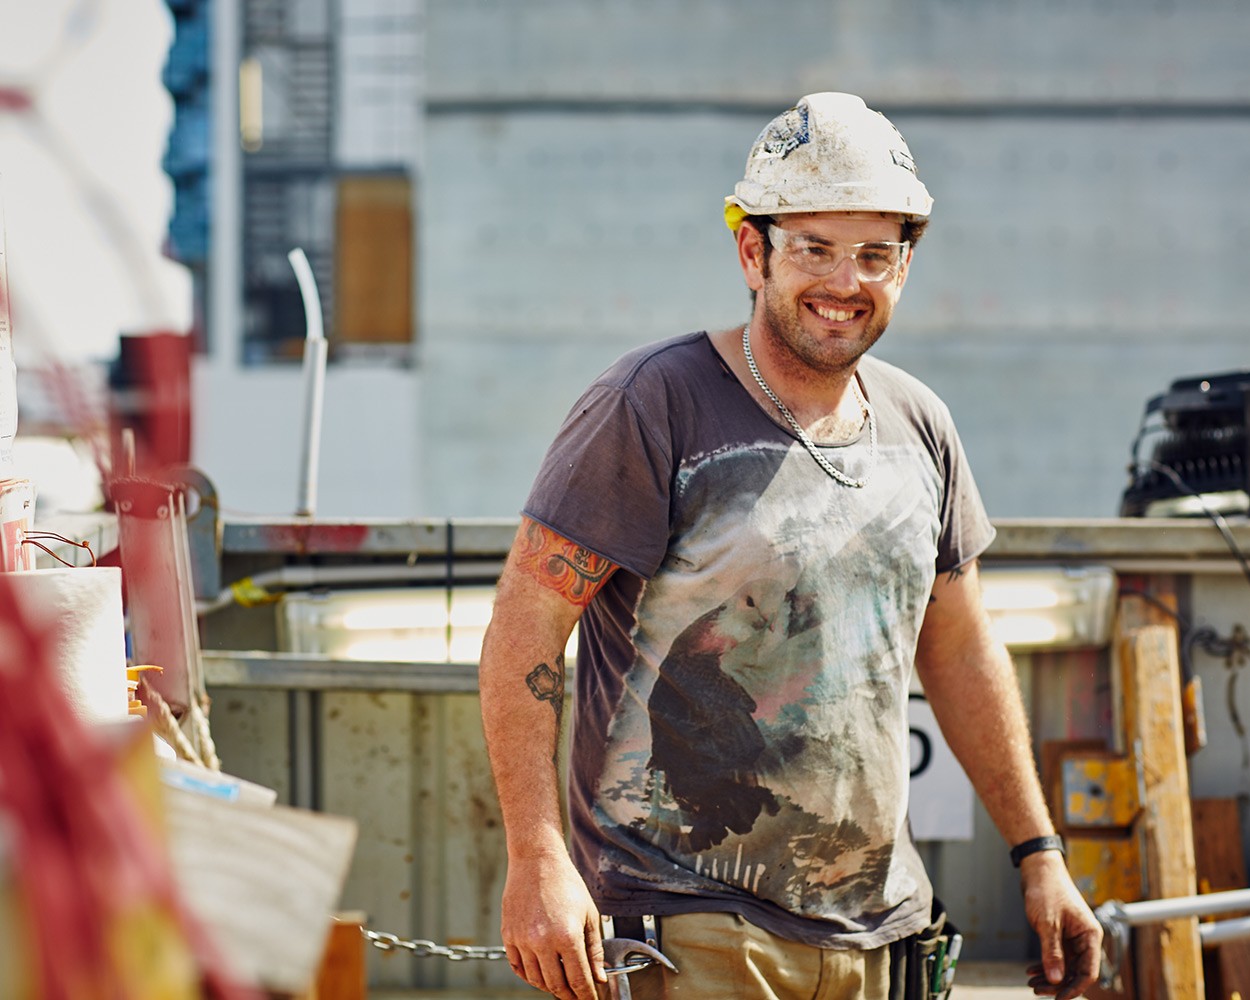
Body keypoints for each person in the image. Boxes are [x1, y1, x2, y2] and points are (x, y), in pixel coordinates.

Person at [478, 92, 1101, 1000]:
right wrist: (537, 859)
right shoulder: (654, 404)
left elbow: (961, 648)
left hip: (883, 938)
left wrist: (1040, 853)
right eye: (813, 247)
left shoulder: (919, 425)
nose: (844, 282)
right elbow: (524, 636)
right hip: (685, 930)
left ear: (905, 266)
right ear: (751, 251)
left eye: (874, 255)